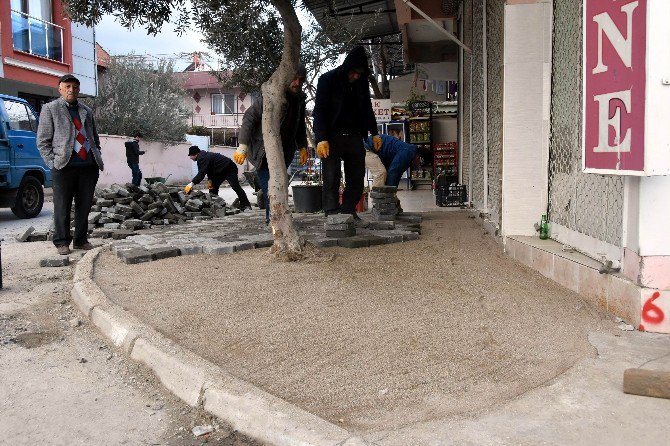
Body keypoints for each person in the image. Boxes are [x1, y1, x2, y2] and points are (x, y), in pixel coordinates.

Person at [37, 74, 104, 256]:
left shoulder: (86, 111)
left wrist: (96, 155)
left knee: (84, 206)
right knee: (62, 206)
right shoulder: (50, 109)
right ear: (60, 89)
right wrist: (52, 163)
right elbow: (43, 141)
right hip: (63, 166)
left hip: (88, 167)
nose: (71, 90)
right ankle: (61, 242)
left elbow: (94, 138)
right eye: (67, 86)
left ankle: (81, 240)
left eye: (74, 87)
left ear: (78, 90)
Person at [233, 65, 308, 224]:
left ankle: (278, 215)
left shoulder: (300, 100)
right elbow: (249, 119)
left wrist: (302, 146)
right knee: (270, 184)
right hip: (263, 150)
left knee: (280, 184)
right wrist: (242, 145)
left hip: (285, 149)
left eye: (300, 80)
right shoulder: (270, 97)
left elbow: (299, 125)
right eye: (294, 79)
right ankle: (272, 218)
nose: (297, 83)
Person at [312, 46, 382, 217]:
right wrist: (321, 138)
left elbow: (367, 108)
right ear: (346, 68)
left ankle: (348, 211)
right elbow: (319, 110)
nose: (356, 76)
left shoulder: (361, 83)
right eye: (353, 72)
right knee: (331, 176)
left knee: (357, 177)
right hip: (331, 137)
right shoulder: (327, 80)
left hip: (354, 135)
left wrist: (374, 132)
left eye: (360, 73)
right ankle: (332, 213)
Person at [184, 146, 251, 209]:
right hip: (219, 172)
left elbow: (201, 173)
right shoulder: (203, 156)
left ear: (196, 154)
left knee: (235, 186)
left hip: (229, 168)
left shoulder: (202, 158)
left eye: (190, 156)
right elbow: (209, 171)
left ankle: (246, 205)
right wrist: (210, 182)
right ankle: (215, 206)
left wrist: (192, 183)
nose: (190, 158)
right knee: (212, 188)